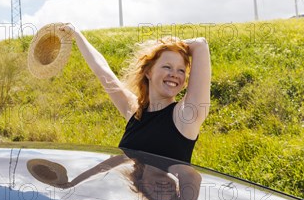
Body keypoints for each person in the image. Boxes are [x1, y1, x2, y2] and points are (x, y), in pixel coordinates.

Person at [58, 24, 211, 163]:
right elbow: (102, 71)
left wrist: (172, 45)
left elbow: (200, 45)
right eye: (167, 67)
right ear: (148, 72)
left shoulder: (186, 116)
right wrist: (76, 33)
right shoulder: (136, 111)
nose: (174, 74)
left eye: (181, 70)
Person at [27, 150, 202, 200]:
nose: (164, 190)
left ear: (142, 186)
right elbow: (193, 179)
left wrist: (73, 183)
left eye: (158, 194)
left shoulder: (132, 157)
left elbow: (100, 169)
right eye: (171, 192)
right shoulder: (175, 166)